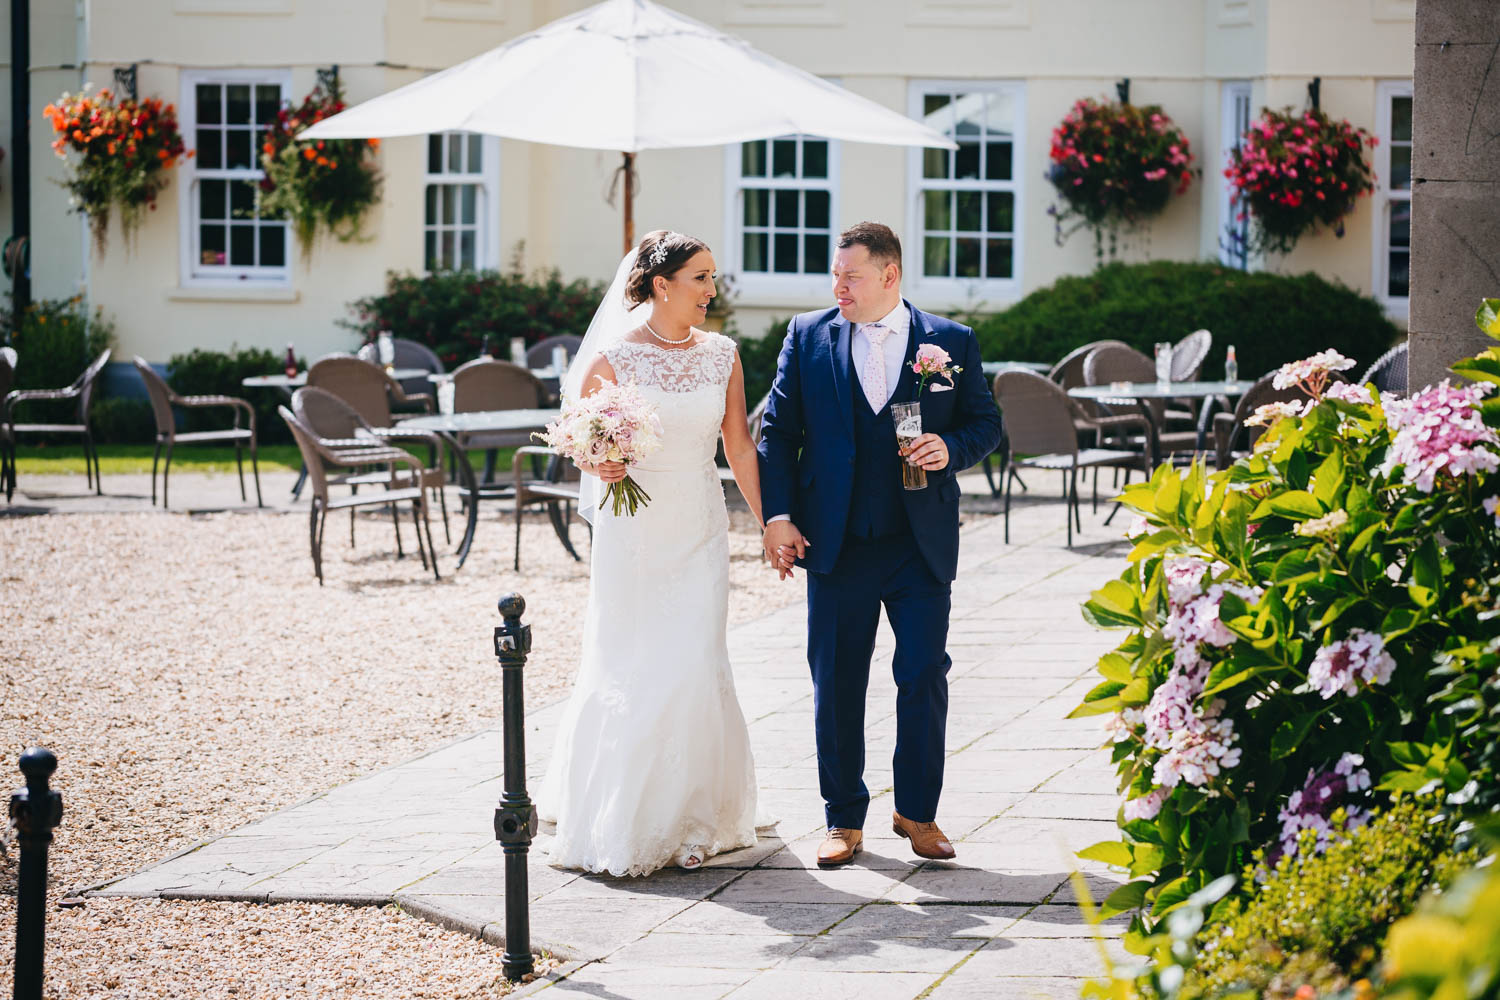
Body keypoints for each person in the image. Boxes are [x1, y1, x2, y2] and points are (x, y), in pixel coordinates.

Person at [758, 221, 1003, 867]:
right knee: (836, 682)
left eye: (851, 276)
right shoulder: (808, 336)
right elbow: (777, 434)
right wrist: (777, 515)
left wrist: (950, 448)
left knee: (924, 675)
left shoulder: (951, 342)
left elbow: (986, 423)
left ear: (889, 276)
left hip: (918, 545)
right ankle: (844, 820)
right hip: (835, 544)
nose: (838, 286)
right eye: (836, 275)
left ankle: (918, 815)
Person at [537, 230, 767, 876]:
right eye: (701, 278)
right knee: (634, 661)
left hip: (699, 525)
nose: (712, 291)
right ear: (661, 285)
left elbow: (739, 448)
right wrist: (602, 461)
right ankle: (625, 813)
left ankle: (695, 819)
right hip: (634, 536)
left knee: (696, 658)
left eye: (713, 278)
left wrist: (771, 521)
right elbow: (582, 441)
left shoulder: (723, 355)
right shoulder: (612, 358)